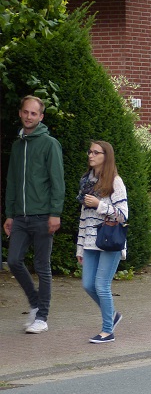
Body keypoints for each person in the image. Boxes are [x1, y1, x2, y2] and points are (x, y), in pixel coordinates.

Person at [3, 95, 65, 334]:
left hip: (43, 216)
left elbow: (57, 181)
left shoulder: (50, 144)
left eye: (34, 113)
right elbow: (12, 182)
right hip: (20, 217)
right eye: (26, 112)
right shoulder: (17, 146)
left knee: (42, 266)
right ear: (20, 113)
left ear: (41, 117)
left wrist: (55, 213)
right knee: (13, 261)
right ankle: (35, 302)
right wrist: (10, 214)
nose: (29, 117)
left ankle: (42, 317)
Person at [76, 141, 128, 343]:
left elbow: (123, 216)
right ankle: (112, 315)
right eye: (90, 151)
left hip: (109, 241)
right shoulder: (86, 182)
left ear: (106, 156)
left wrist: (100, 204)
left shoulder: (115, 182)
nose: (91, 155)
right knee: (88, 285)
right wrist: (80, 248)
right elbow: (83, 218)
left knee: (101, 285)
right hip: (90, 242)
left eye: (96, 152)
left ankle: (108, 331)